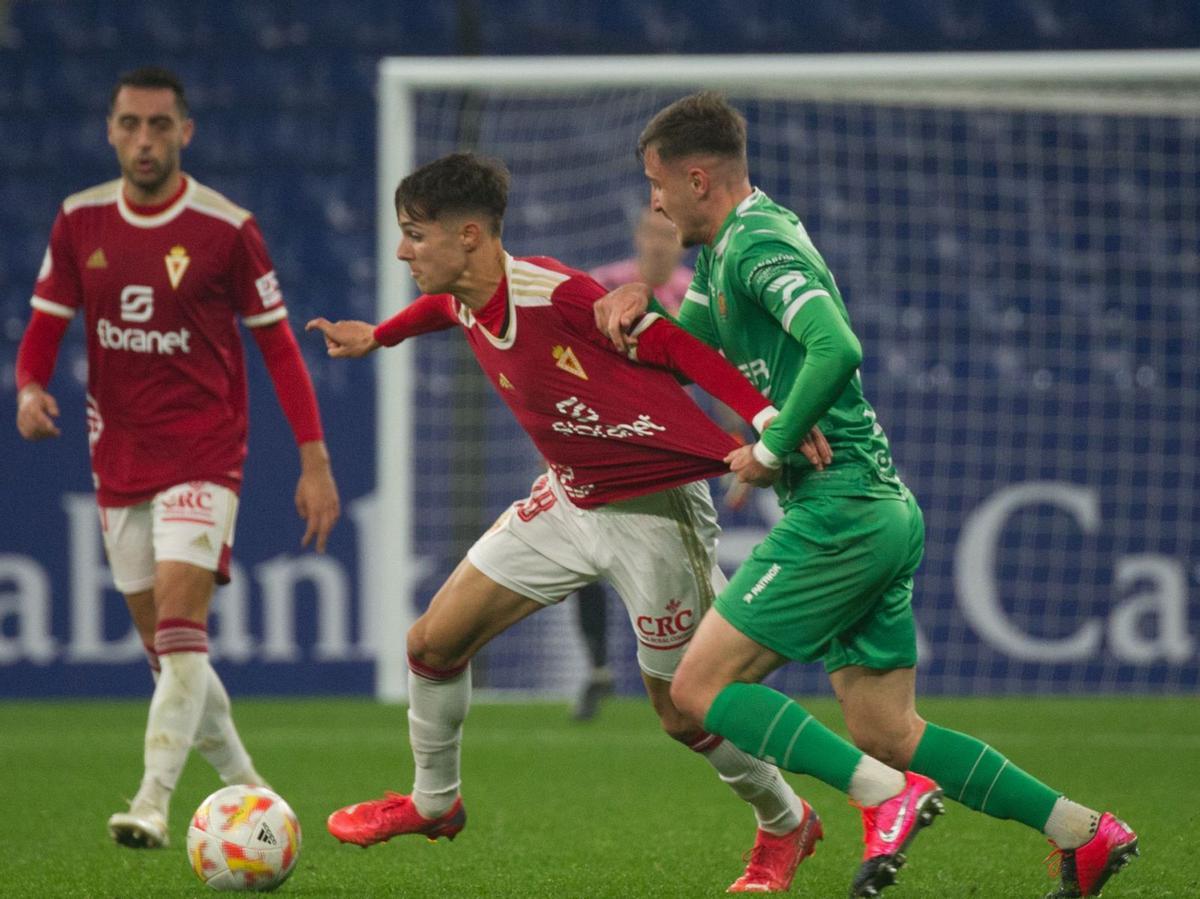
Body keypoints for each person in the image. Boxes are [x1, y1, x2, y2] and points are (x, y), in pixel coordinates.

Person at [305, 151, 929, 894]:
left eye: (415, 235)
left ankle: (787, 819)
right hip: (569, 497)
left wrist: (767, 417)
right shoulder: (464, 292)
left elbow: (673, 344)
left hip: (652, 514)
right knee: (432, 641)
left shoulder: (558, 294)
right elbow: (443, 309)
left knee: (682, 709)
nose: (403, 250)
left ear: (469, 235)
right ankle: (435, 802)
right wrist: (379, 335)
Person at [595, 91, 1139, 899]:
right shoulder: (715, 255)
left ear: (698, 177)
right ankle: (1085, 832)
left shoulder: (758, 243)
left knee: (699, 688)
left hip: (841, 509)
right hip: (874, 507)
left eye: (656, 182)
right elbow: (688, 351)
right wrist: (636, 312)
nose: (653, 201)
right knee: (887, 728)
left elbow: (837, 344)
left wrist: (773, 445)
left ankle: (887, 797)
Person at [14, 66, 341, 850]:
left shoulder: (226, 228)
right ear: (110, 130)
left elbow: (280, 350)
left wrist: (314, 460)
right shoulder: (78, 221)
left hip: (204, 447)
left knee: (182, 626)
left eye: (160, 125)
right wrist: (29, 387)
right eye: (130, 123)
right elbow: (44, 324)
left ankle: (153, 801)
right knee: (165, 649)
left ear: (185, 133)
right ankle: (254, 794)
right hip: (118, 452)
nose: (145, 139)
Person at [568, 207, 695, 722]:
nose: (660, 243)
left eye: (670, 233)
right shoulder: (605, 286)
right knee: (584, 561)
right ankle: (599, 667)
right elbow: (568, 358)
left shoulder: (694, 294)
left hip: (670, 448)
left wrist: (736, 432)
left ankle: (693, 675)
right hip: (604, 443)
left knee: (671, 565)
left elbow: (718, 367)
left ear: (682, 242)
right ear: (639, 236)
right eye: (652, 232)